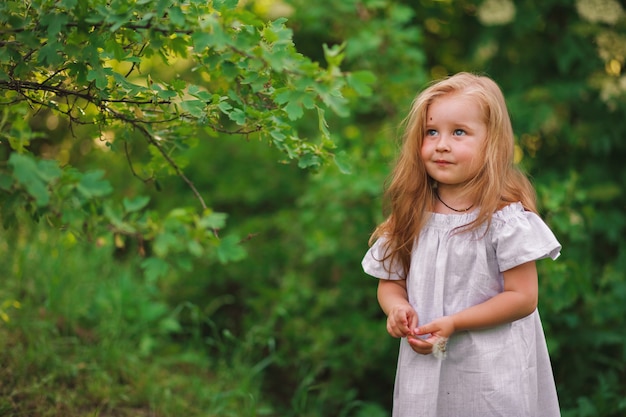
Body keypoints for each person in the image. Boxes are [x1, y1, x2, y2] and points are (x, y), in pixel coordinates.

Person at [362, 72, 562, 417]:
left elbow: (523, 297)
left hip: (492, 370)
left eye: (459, 132)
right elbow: (391, 284)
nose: (441, 144)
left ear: (493, 143)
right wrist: (396, 309)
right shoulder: (412, 213)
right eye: (431, 132)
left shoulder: (503, 220)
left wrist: (455, 322)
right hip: (426, 364)